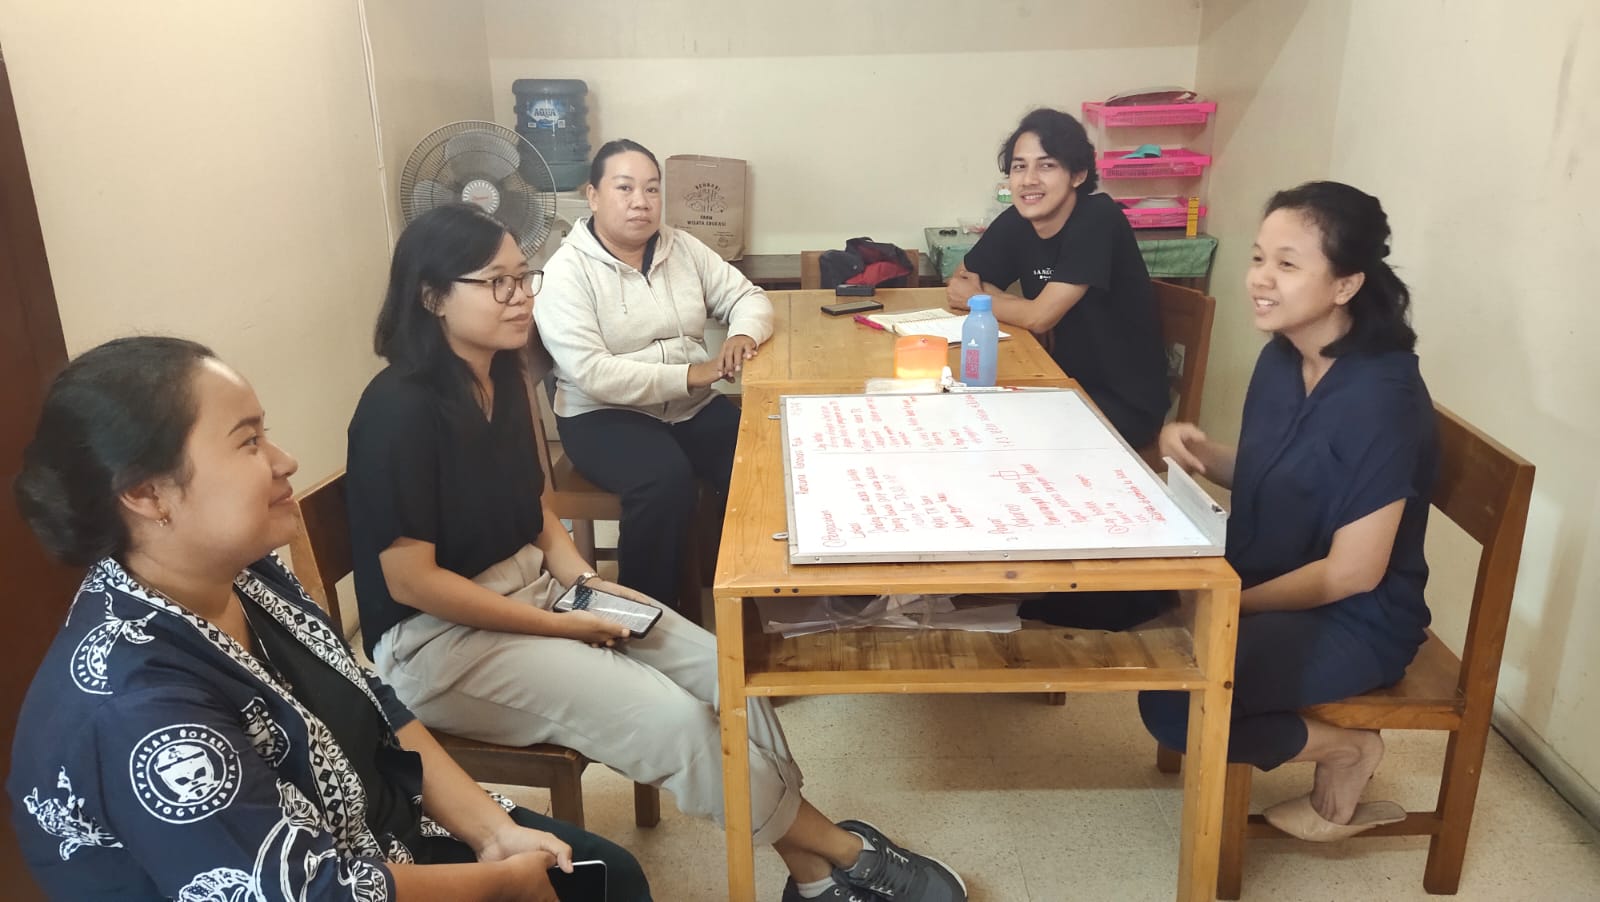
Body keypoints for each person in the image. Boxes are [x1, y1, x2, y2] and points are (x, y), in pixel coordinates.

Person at [346, 203, 966, 902]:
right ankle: (840, 851)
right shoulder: (397, 409)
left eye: (524, 278)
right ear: (432, 297)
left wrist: (587, 586)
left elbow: (536, 511)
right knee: (673, 719)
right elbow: (413, 582)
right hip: (438, 644)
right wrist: (562, 626)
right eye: (497, 283)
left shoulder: (504, 377)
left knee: (724, 669)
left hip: (537, 594)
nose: (520, 297)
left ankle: (811, 871)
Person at [8, 336, 647, 901]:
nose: (284, 460)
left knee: (607, 876)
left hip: (380, 834)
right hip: (332, 884)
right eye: (249, 442)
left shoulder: (247, 572)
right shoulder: (135, 705)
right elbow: (308, 893)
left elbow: (376, 704)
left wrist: (496, 834)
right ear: (147, 493)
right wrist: (502, 884)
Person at [1139, 181, 1438, 841]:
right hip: (1269, 572)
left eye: (1287, 263)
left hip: (1356, 619)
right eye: (1257, 258)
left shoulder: (1381, 397)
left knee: (1173, 699)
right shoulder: (1285, 356)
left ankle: (1348, 749)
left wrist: (1230, 604)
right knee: (1123, 604)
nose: (1260, 279)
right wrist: (1201, 453)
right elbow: (1281, 471)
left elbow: (1353, 572)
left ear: (1346, 284)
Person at [533, 139, 772, 611]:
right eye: (624, 188)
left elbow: (748, 296)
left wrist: (742, 333)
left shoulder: (682, 247)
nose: (640, 202)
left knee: (758, 457)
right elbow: (594, 373)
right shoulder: (566, 271)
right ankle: (646, 618)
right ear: (593, 195)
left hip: (687, 406)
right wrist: (691, 374)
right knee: (664, 480)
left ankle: (744, 592)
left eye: (651, 189)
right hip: (601, 414)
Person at [948, 107, 1169, 451]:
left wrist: (1009, 307)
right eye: (1019, 167)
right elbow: (962, 282)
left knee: (991, 436)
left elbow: (1039, 317)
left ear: (1078, 174)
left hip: (1119, 402)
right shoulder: (1018, 220)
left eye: (1046, 165)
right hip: (1054, 381)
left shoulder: (1098, 218)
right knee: (961, 411)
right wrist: (1022, 308)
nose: (1028, 179)